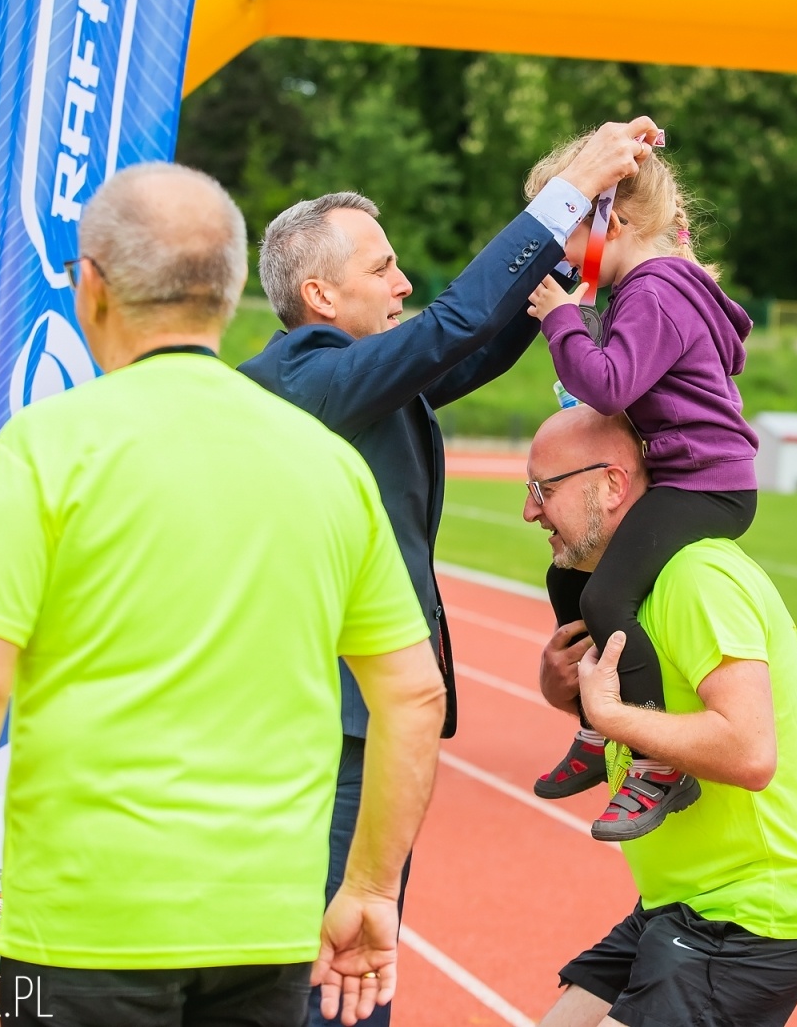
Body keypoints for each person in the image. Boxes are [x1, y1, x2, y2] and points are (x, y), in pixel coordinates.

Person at [0, 162, 446, 1027]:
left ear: (93, 288)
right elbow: (414, 695)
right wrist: (373, 885)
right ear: (231, 295)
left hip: (85, 925)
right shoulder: (328, 464)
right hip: (267, 922)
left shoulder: (45, 449)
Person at [239, 118, 661, 1025]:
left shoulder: (357, 379)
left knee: (349, 956)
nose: (403, 283)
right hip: (330, 726)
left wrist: (590, 230)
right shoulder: (307, 382)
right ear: (318, 293)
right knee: (332, 962)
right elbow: (458, 320)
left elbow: (484, 339)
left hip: (359, 721)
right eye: (381, 267)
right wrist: (567, 187)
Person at [523, 406, 797, 1027]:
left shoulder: (696, 577)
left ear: (614, 484)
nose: (531, 511)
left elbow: (749, 751)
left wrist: (608, 717)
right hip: (682, 897)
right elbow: (652, 711)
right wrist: (562, 691)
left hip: (753, 911)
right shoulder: (626, 585)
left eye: (545, 489)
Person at [522, 132, 761, 841]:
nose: (554, 252)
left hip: (707, 485)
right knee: (569, 583)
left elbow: (608, 382)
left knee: (606, 594)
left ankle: (657, 755)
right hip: (687, 474)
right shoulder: (651, 287)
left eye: (562, 229)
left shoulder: (653, 291)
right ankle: (602, 730)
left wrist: (561, 317)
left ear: (612, 225)